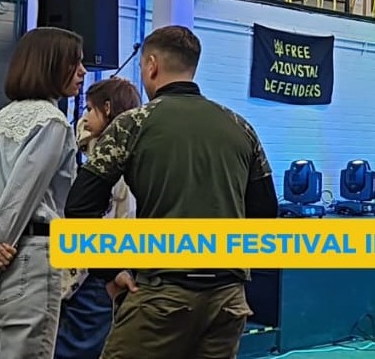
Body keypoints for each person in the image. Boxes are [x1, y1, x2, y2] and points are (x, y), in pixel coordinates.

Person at [64, 25, 279, 359]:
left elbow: (79, 208)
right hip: (228, 299)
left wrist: (110, 269)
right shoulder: (240, 127)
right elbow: (265, 213)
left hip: (161, 294)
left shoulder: (133, 124)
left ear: (152, 65)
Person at [0, 27, 86, 358]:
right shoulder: (52, 123)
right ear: (50, 65)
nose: (83, 71)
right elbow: (19, 199)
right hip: (27, 258)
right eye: (75, 63)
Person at [55, 78, 141, 359]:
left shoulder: (116, 164)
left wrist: (114, 268)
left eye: (90, 110)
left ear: (107, 109)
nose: (84, 118)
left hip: (98, 272)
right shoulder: (101, 150)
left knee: (78, 348)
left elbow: (124, 217)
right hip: (87, 269)